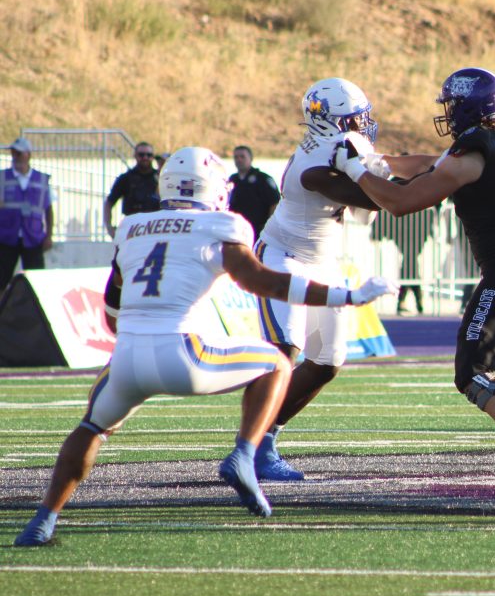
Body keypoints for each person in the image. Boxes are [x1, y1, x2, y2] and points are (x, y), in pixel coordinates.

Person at [12, 146, 392, 546]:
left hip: (126, 358)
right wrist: (346, 297)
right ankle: (245, 454)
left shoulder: (133, 226)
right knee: (278, 364)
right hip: (184, 355)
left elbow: (111, 311)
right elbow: (268, 284)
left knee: (91, 427)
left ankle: (44, 520)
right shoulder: (223, 226)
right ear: (213, 188)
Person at [330, 67, 495, 483]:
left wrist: (357, 173)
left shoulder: (472, 154)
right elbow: (431, 163)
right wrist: (380, 161)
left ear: (469, 106)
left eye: (452, 105)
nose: (447, 113)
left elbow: (402, 203)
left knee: (472, 371)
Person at [252, 77, 392, 481]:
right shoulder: (313, 165)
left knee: (327, 362)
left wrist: (434, 167)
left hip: (323, 261)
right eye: (355, 118)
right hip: (284, 257)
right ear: (331, 120)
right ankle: (253, 447)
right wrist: (421, 185)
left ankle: (265, 436)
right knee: (284, 350)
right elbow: (376, 199)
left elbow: (382, 174)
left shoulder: (342, 145)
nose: (363, 125)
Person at [0, 137, 54, 291]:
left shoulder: (41, 179)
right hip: (6, 237)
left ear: (28, 155)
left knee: (37, 281)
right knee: (1, 280)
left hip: (33, 237)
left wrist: (49, 235)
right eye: (13, 153)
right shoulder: (2, 178)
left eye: (19, 153)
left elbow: (48, 209)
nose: (15, 157)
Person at [105, 142, 160, 238]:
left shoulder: (161, 179)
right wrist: (110, 228)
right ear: (135, 156)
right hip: (132, 229)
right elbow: (109, 202)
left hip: (155, 228)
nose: (145, 158)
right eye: (141, 155)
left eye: (149, 155)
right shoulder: (125, 179)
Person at [228, 145, 281, 239]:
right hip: (235, 230)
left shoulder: (263, 179)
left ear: (251, 158)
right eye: (236, 157)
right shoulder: (232, 180)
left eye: (242, 156)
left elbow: (274, 203)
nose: (239, 160)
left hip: (258, 231)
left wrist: (269, 227)